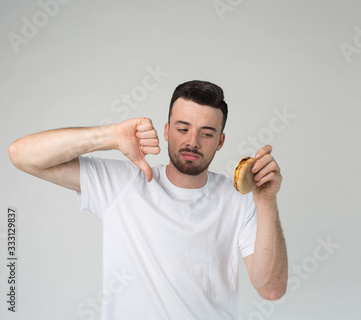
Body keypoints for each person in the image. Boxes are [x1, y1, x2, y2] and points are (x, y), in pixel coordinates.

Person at [8, 80, 288, 319]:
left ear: (221, 141)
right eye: (182, 128)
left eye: (206, 133)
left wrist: (266, 201)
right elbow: (21, 154)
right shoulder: (122, 183)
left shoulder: (238, 199)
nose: (193, 142)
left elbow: (271, 289)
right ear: (166, 131)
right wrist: (110, 135)